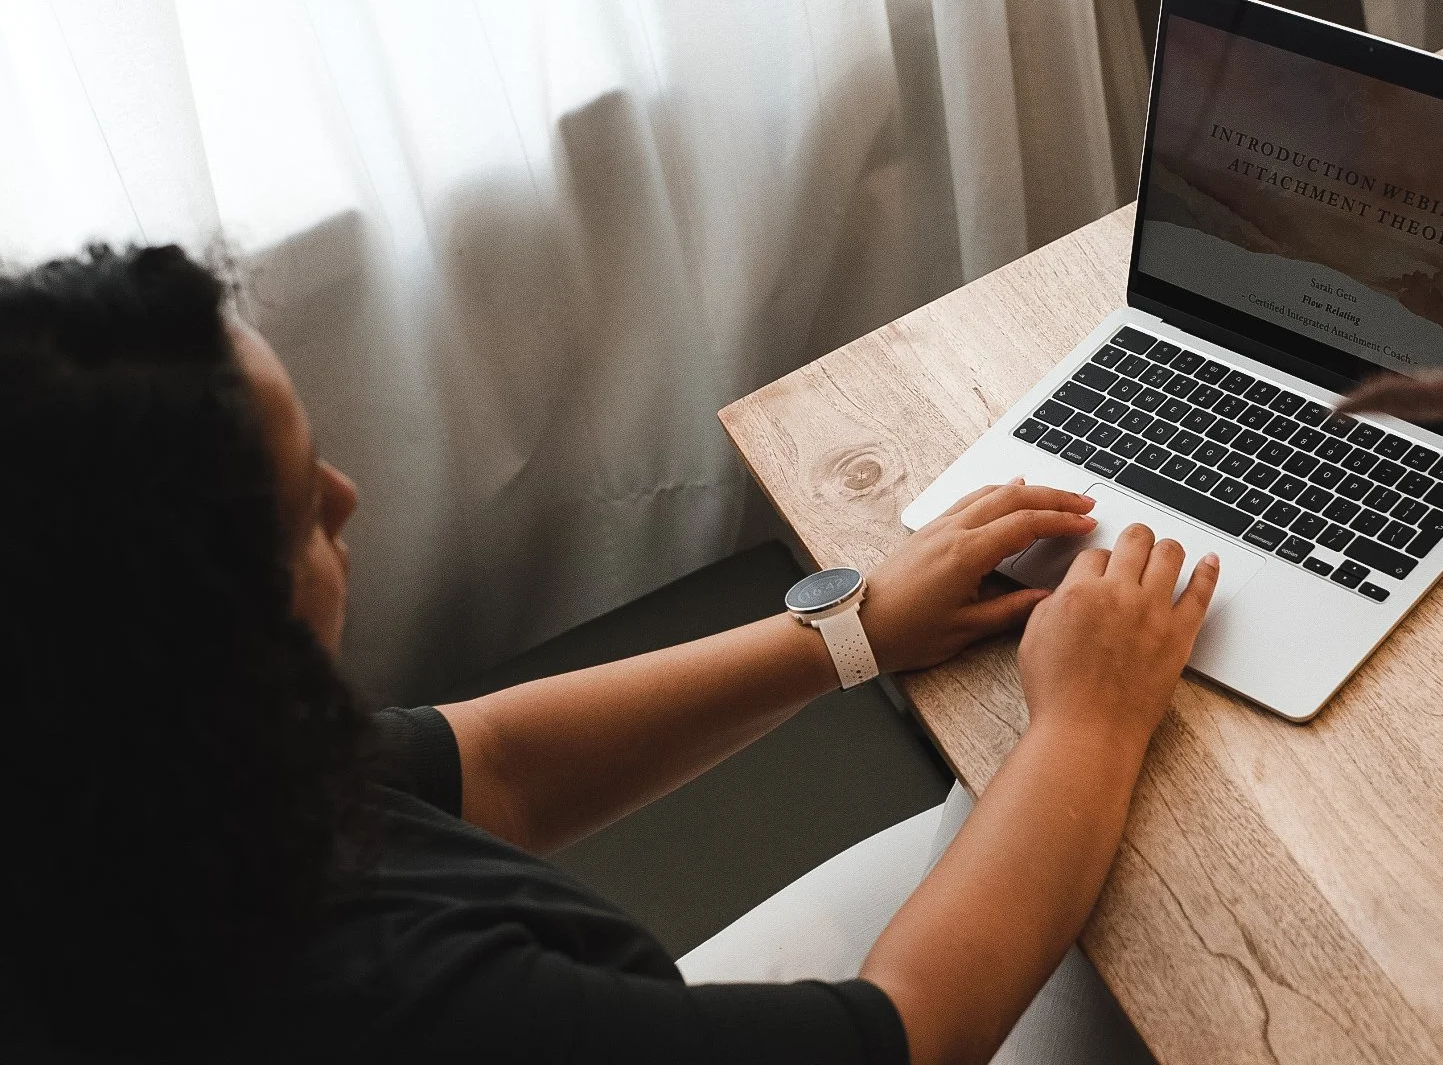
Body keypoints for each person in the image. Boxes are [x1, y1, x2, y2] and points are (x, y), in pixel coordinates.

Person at [0, 244, 1219, 1064]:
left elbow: (498, 761)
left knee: (995, 817)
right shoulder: (402, 1001)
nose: (347, 495)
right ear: (204, 620)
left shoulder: (123, 769)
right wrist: (1087, 723)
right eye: (297, 510)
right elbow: (899, 1033)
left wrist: (852, 631)